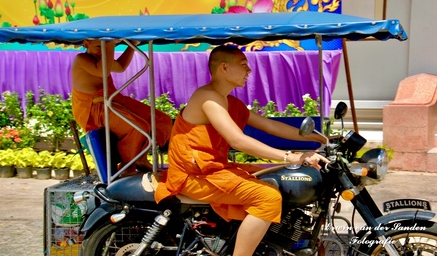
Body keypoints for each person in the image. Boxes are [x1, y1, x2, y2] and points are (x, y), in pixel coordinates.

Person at [155, 45, 329, 256]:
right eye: (244, 65)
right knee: (268, 197)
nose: (250, 71)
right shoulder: (207, 98)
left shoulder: (229, 102)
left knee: (277, 178)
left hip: (214, 170)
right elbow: (237, 140)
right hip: (193, 176)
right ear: (224, 68)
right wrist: (290, 157)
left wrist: (317, 137)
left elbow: (271, 126)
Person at [71, 39, 172, 176]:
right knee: (138, 128)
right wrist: (110, 43)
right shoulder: (81, 59)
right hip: (95, 108)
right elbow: (103, 71)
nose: (102, 50)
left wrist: (133, 45)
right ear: (85, 44)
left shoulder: (103, 59)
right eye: (98, 47)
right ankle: (127, 167)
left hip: (113, 100)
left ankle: (141, 159)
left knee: (161, 120)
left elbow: (120, 66)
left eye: (104, 46)